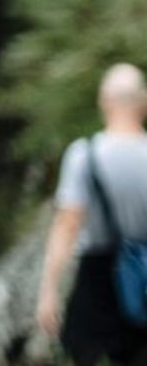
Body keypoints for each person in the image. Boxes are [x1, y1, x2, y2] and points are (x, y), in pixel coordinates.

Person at [37, 63, 147, 365]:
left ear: (104, 101)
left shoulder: (84, 155)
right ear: (143, 102)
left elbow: (67, 223)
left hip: (96, 282)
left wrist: (49, 290)